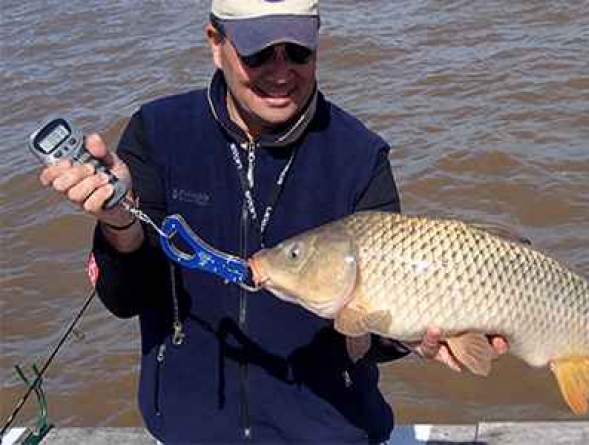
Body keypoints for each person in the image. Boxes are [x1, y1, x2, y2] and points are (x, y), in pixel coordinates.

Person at [39, 1, 507, 443]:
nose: (282, 72)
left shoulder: (360, 156)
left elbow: (374, 332)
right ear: (215, 43)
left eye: (298, 51)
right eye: (259, 52)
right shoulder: (158, 133)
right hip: (187, 431)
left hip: (331, 432)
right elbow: (126, 300)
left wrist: (411, 337)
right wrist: (118, 221)